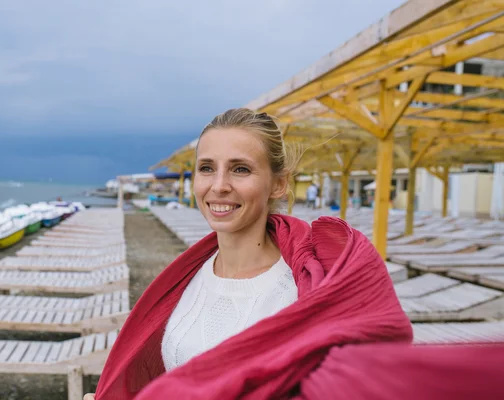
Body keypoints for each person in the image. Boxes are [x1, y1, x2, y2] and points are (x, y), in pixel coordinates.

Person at [86, 109, 504, 400]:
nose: (219, 185)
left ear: (279, 184)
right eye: (207, 168)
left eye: (241, 169)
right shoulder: (183, 280)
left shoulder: (311, 288)